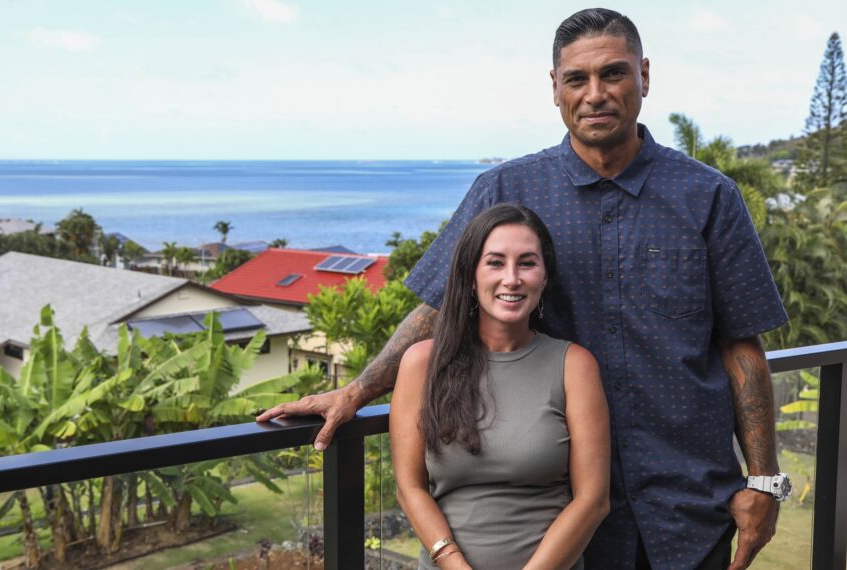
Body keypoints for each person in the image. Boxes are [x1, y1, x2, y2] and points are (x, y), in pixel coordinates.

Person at [259, 8, 790, 570]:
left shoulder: (708, 196)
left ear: (645, 77)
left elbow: (741, 346)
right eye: (576, 79)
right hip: (560, 518)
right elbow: (441, 306)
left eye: (613, 74)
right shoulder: (507, 188)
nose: (595, 94)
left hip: (691, 504)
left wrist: (764, 480)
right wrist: (357, 391)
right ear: (554, 89)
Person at [391, 204, 610, 569]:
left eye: (527, 263)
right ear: (470, 276)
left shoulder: (574, 365)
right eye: (495, 262)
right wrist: (452, 563)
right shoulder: (421, 364)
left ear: (544, 277)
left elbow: (593, 500)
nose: (512, 278)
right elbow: (409, 488)